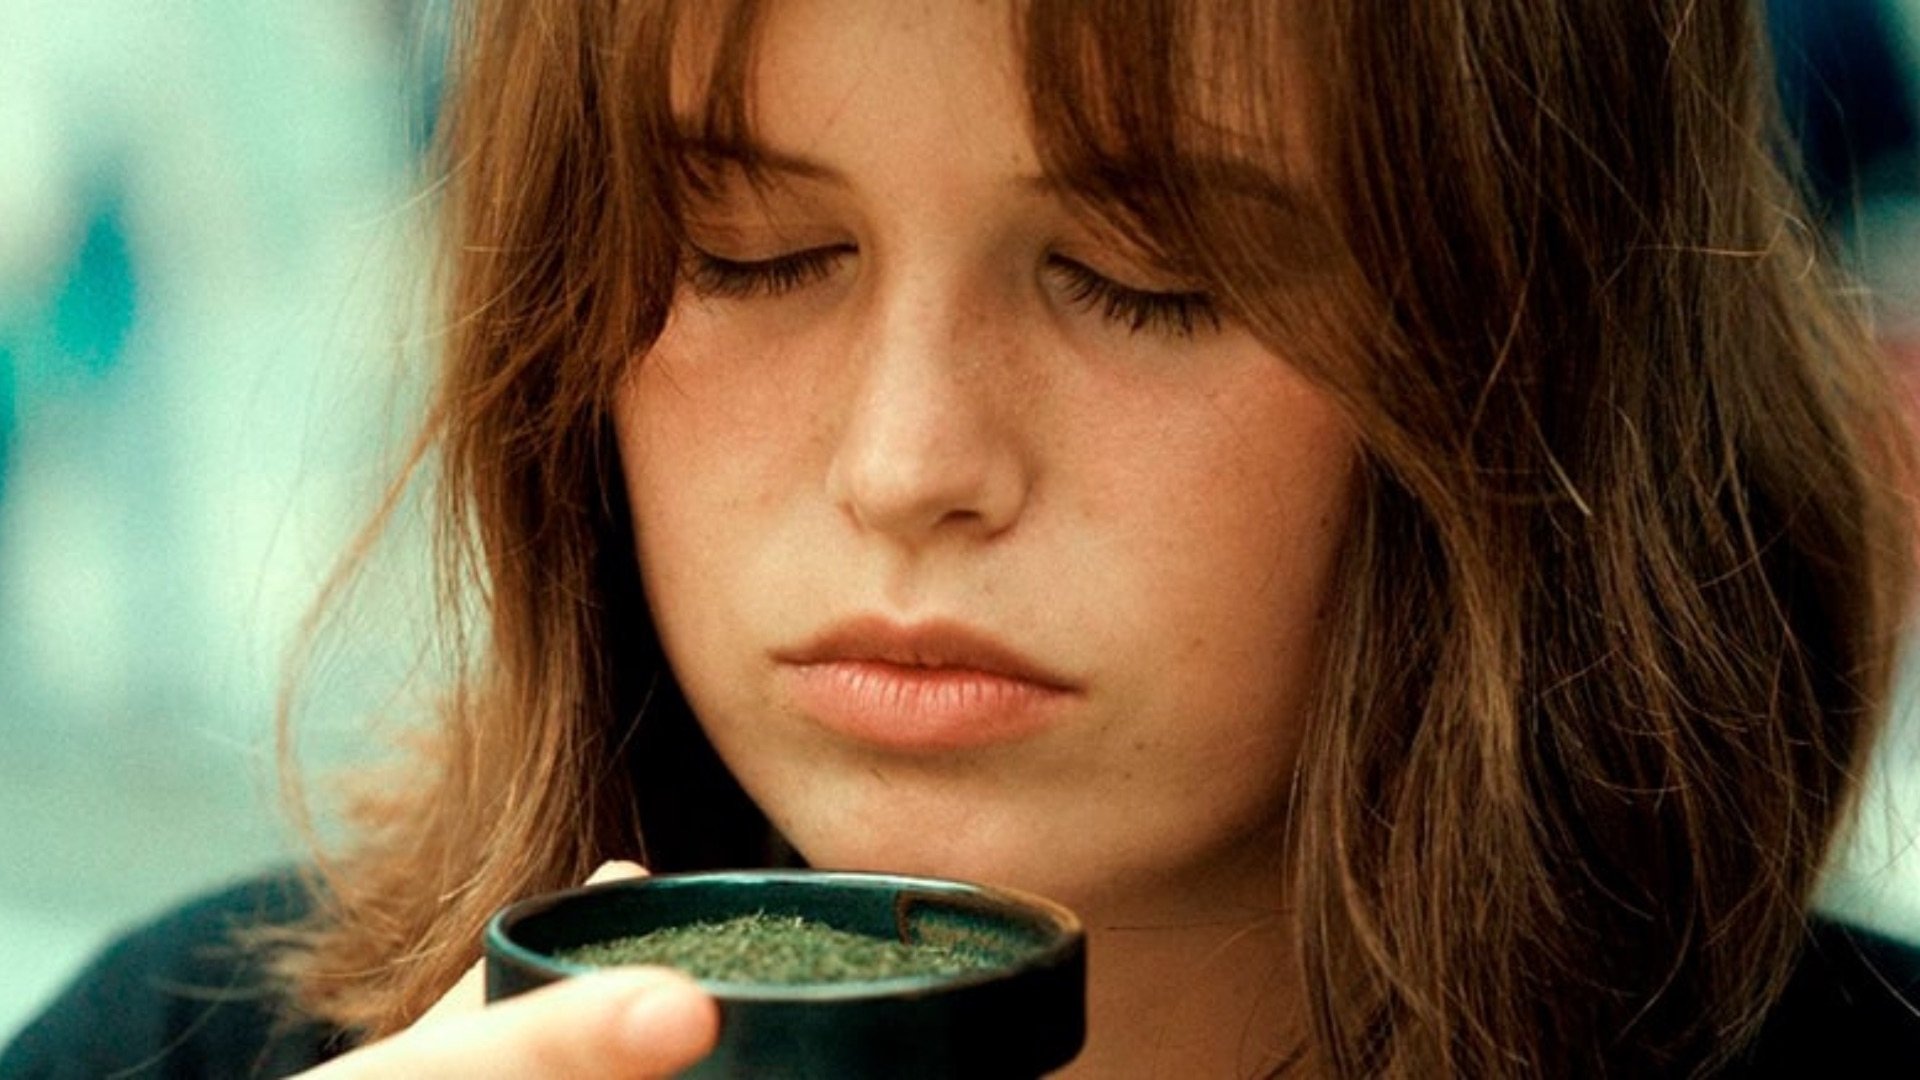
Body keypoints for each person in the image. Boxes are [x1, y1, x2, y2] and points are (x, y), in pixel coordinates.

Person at [6, 1, 1920, 1077]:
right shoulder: (191, 1049)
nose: (908, 463)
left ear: (1535, 343)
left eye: (1147, 277)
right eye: (752, 255)